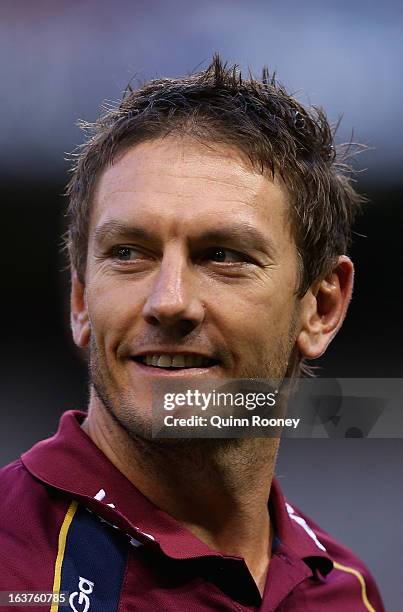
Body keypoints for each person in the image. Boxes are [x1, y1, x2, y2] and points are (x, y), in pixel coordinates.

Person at [0, 55, 384, 611]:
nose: (169, 302)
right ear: (81, 300)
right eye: (128, 254)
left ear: (320, 308)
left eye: (222, 256)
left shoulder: (347, 592)